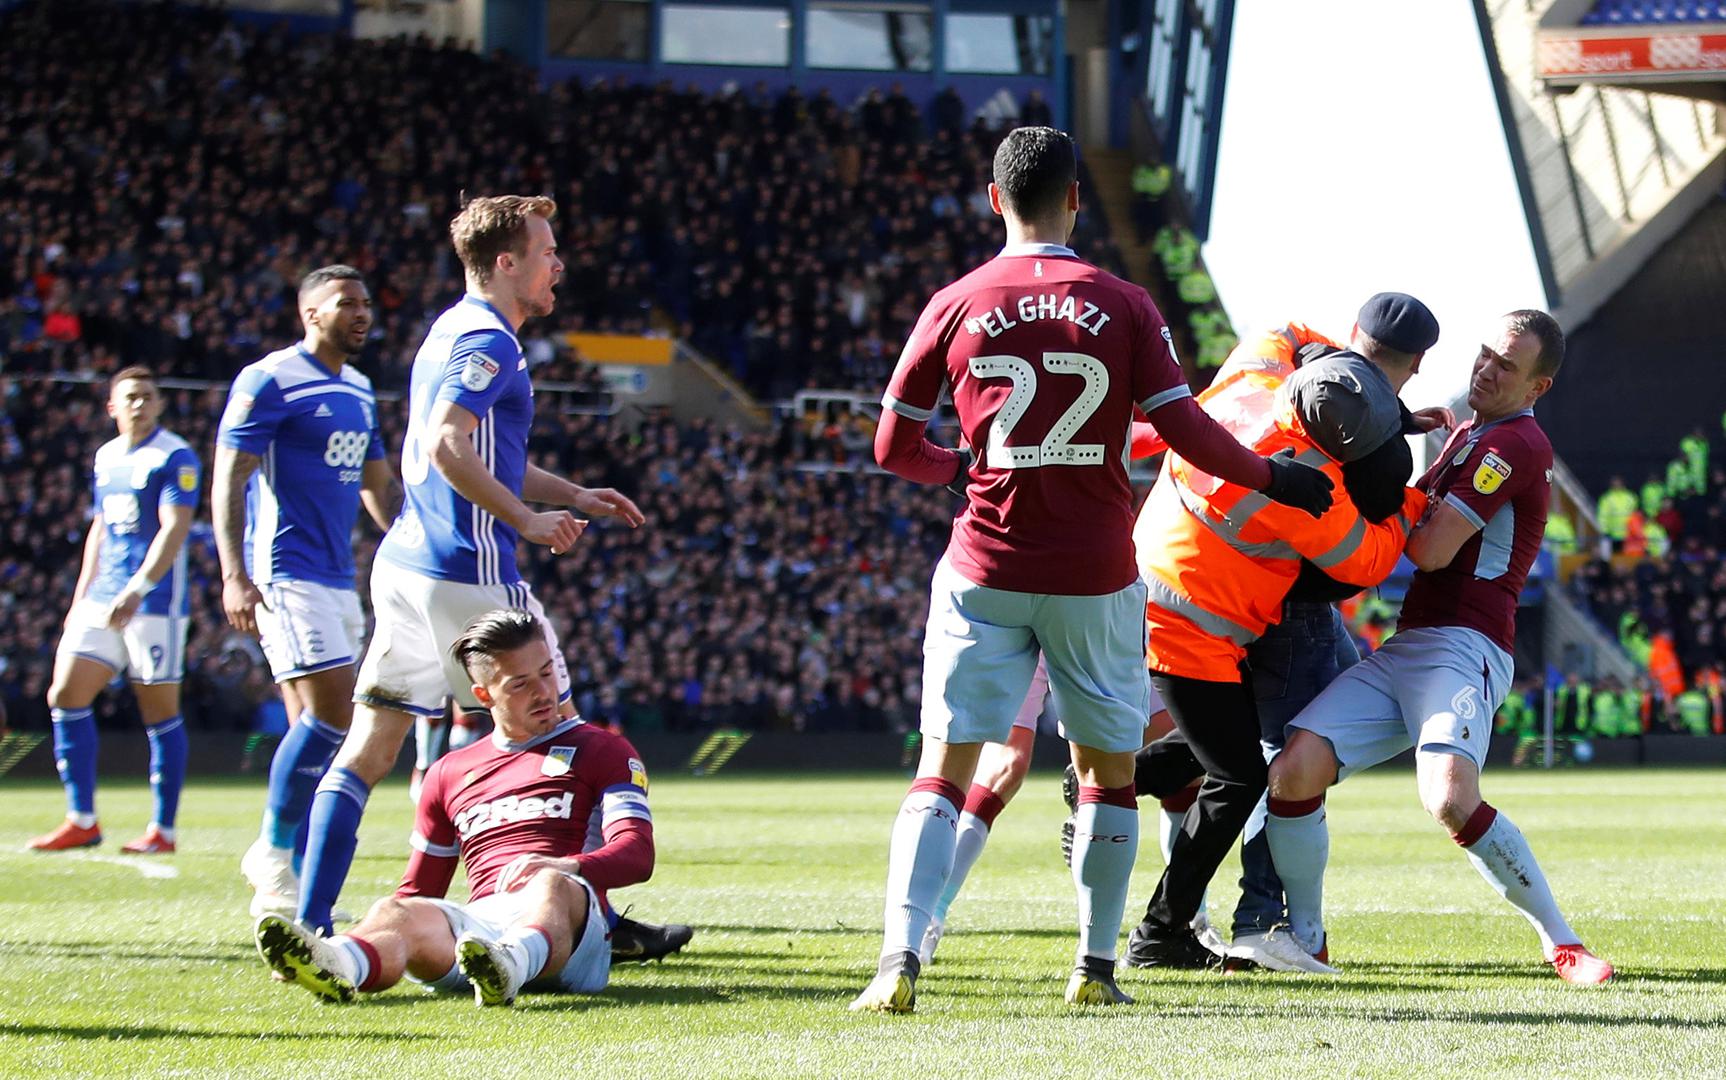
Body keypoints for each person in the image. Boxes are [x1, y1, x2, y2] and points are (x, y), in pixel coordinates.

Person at [849, 125, 1335, 1012]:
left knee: (943, 770)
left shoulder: (952, 301)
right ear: (1077, 199)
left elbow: (892, 446)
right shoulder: (1125, 304)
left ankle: (897, 962)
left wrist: (963, 466)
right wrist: (1276, 477)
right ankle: (1093, 968)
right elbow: (1184, 433)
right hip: (1095, 576)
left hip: (984, 565)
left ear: (995, 200)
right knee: (1108, 772)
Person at [293, 195, 646, 935]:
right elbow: (448, 445)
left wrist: (572, 492)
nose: (559, 264)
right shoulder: (491, 340)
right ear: (507, 262)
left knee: (371, 746)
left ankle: (312, 919)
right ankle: (594, 919)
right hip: (468, 567)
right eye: (547, 252)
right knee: (563, 731)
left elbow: (488, 453)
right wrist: (526, 521)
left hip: (406, 564)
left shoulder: (450, 330)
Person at [1265, 310, 1615, 985]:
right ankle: (1306, 940)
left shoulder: (1513, 444)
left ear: (1537, 388)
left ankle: (1562, 943)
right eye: (1485, 354)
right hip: (1410, 645)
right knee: (1295, 769)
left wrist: (1375, 480)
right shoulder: (1469, 433)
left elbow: (1427, 546)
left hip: (1466, 645)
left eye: (1506, 366)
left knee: (1449, 797)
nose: (1485, 369)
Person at [1117, 297, 1435, 971]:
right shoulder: (1312, 486)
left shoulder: (1250, 377)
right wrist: (1411, 498)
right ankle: (1159, 933)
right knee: (1239, 775)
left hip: (1145, 578)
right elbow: (1370, 561)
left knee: (1227, 741)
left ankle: (1119, 778)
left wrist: (1355, 372)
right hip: (1191, 627)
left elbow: (1288, 330)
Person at [255, 610, 662, 1005]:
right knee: (395, 911)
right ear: (483, 695)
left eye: (546, 672)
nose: (543, 692)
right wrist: (397, 919)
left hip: (574, 928)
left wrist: (567, 865)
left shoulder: (602, 748)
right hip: (479, 937)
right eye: (520, 684)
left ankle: (512, 961)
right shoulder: (449, 772)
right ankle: (337, 962)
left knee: (551, 886)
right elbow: (421, 889)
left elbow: (637, 853)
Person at [216, 265, 402, 916]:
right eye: (346, 302)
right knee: (335, 716)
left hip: (336, 576)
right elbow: (229, 474)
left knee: (314, 725)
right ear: (310, 314)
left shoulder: (357, 387)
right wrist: (233, 572)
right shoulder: (270, 379)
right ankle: (270, 850)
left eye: (366, 303)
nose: (362, 313)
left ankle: (288, 879)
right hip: (284, 572)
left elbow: (377, 484)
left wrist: (412, 533)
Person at [27, 367, 199, 854]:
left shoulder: (175, 455)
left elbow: (174, 527)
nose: (140, 405)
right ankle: (82, 819)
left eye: (148, 396)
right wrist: (82, 595)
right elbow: (101, 528)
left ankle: (162, 831)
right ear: (112, 407)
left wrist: (140, 588)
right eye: (130, 398)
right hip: (102, 598)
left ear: (160, 403)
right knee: (65, 694)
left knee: (158, 712)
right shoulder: (105, 457)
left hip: (155, 603)